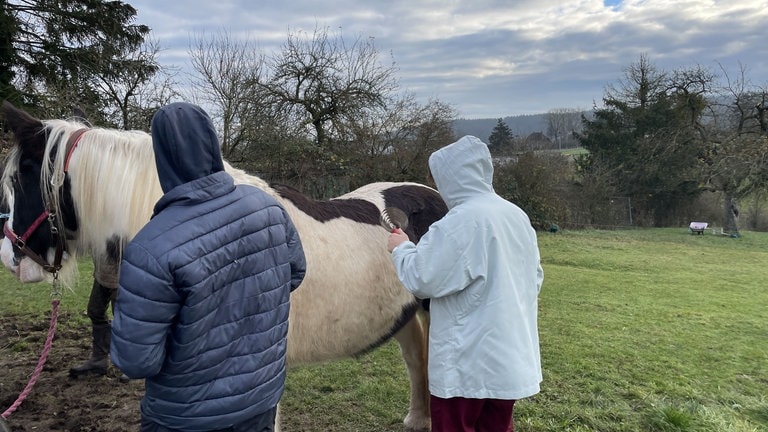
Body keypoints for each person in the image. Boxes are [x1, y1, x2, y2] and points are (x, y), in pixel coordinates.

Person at [111, 102, 306, 432]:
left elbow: (135, 360)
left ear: (162, 158)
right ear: (212, 145)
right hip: (260, 400)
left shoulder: (150, 248)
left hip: (186, 418)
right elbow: (295, 272)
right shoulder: (266, 207)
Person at [386, 135, 543, 432]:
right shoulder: (516, 216)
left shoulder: (460, 222)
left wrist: (401, 247)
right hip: (507, 358)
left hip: (466, 365)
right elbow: (534, 278)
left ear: (451, 177)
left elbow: (423, 278)